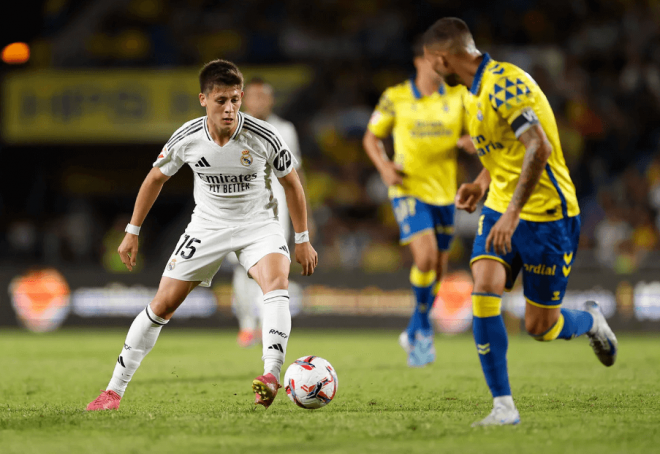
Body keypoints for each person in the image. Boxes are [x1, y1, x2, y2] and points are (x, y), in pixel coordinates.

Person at [86, 59, 318, 411]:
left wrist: (302, 238)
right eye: (221, 100)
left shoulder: (264, 135)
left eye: (235, 100)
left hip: (258, 224)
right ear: (203, 99)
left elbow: (293, 184)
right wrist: (131, 232)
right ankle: (112, 392)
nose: (229, 109)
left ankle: (270, 375)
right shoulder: (188, 137)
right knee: (162, 304)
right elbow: (155, 179)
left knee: (276, 283)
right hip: (207, 226)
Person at [423, 18, 617, 426]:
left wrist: (513, 214)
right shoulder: (470, 94)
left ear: (442, 58)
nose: (431, 71)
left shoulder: (506, 86)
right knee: (485, 289)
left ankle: (590, 321)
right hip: (499, 208)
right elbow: (504, 153)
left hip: (548, 216)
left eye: (430, 62)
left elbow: (538, 148)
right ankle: (503, 407)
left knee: (541, 327)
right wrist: (479, 183)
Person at [363, 38, 475, 367]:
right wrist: (384, 167)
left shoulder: (458, 96)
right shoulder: (395, 97)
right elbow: (371, 137)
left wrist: (471, 138)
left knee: (437, 270)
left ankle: (413, 328)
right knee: (425, 258)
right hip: (408, 189)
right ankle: (424, 332)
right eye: (434, 58)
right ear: (418, 61)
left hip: (445, 194)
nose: (441, 64)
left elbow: (478, 130)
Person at [232, 77, 307, 348]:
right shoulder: (231, 127)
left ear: (271, 100)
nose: (258, 102)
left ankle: (266, 325)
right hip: (240, 208)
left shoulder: (285, 129)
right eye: (253, 97)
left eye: (263, 97)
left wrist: (304, 214)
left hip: (278, 209)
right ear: (243, 99)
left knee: (273, 266)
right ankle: (246, 326)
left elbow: (295, 175)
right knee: (243, 269)